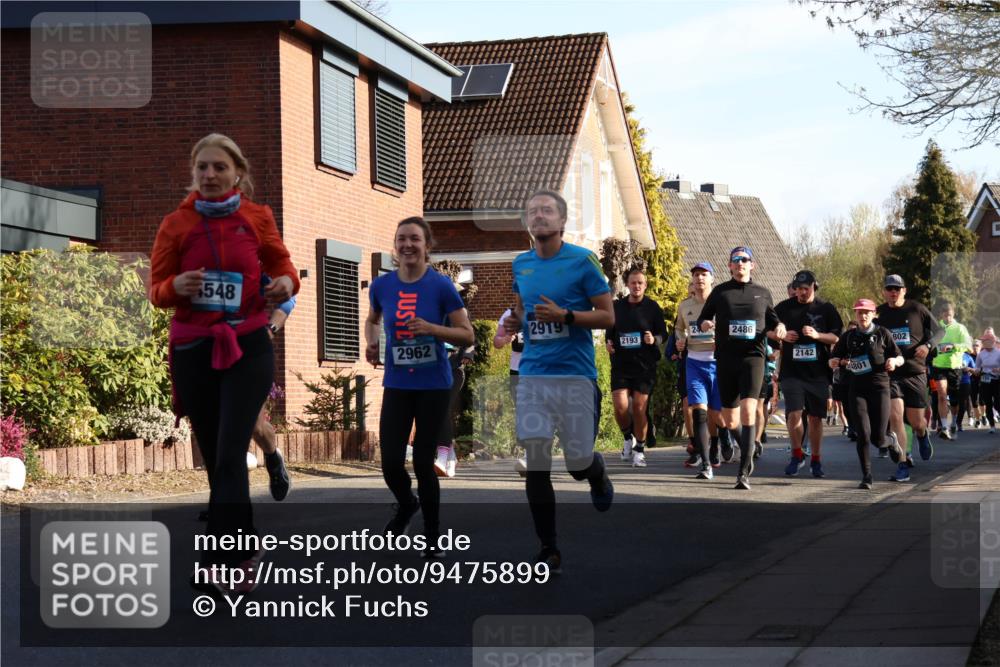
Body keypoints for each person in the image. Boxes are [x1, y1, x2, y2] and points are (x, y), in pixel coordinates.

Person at [150, 133, 300, 595]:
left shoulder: (257, 218)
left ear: (238, 172)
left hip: (248, 343)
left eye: (219, 167)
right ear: (193, 174)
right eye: (202, 168)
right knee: (217, 460)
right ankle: (245, 548)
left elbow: (286, 268)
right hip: (195, 348)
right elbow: (156, 291)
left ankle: (222, 558)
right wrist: (179, 285)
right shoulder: (176, 224)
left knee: (232, 449)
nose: (210, 175)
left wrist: (284, 286)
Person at [504, 189, 615, 572]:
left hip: (576, 377)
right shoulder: (521, 264)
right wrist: (515, 321)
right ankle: (548, 547)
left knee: (577, 462)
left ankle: (596, 472)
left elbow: (607, 317)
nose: (538, 216)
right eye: (532, 211)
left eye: (547, 210)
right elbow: (521, 308)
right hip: (534, 375)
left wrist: (566, 316)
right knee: (536, 461)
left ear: (562, 221)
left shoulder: (583, 261)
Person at [365, 217, 474, 559]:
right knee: (391, 464)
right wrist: (370, 342)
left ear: (427, 245)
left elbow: (467, 334)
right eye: (401, 239)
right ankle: (407, 503)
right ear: (395, 246)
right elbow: (372, 320)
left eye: (415, 239)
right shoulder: (382, 287)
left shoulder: (441, 286)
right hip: (397, 382)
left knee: (424, 462)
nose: (408, 245)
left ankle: (431, 538)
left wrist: (432, 328)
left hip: (433, 384)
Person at [698, 246, 786, 491]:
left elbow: (774, 320)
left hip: (753, 358)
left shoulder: (762, 292)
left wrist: (779, 327)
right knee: (729, 418)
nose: (740, 264)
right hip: (726, 359)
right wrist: (705, 323)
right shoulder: (720, 292)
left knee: (748, 412)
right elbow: (704, 317)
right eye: (736, 260)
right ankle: (747, 450)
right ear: (730, 266)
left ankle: (743, 472)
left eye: (744, 260)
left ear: (752, 265)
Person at [772, 270, 843, 479]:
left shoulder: (826, 308)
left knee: (815, 418)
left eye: (806, 288)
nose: (801, 293)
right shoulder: (784, 307)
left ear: (814, 287)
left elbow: (837, 337)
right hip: (791, 372)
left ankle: (816, 459)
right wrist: (782, 334)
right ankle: (796, 455)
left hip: (817, 374)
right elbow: (768, 329)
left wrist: (817, 335)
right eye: (798, 289)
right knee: (794, 413)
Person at [830, 299, 905, 490]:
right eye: (859, 312)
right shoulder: (848, 337)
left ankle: (890, 440)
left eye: (866, 312)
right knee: (863, 434)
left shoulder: (882, 333)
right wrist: (835, 361)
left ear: (873, 314)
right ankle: (867, 476)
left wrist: (894, 362)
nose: (862, 316)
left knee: (878, 438)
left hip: (879, 388)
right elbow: (834, 356)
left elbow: (899, 356)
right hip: (857, 389)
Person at [875, 274, 942, 474]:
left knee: (917, 422)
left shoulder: (916, 308)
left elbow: (940, 331)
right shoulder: (879, 313)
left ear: (904, 290)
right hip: (892, 373)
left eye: (897, 289)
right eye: (889, 289)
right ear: (884, 292)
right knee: (895, 416)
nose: (893, 292)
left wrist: (928, 346)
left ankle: (922, 435)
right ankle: (903, 463)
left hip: (915, 371)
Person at [606, 267, 667, 468]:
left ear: (645, 285)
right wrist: (608, 343)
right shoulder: (617, 307)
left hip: (644, 366)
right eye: (633, 282)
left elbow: (663, 335)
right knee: (621, 406)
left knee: (640, 408)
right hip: (621, 365)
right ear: (627, 284)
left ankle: (639, 449)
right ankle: (627, 438)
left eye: (640, 282)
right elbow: (609, 333)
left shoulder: (653, 308)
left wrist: (654, 339)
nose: (636, 286)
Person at [675, 262, 728, 480]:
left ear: (712, 279)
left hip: (718, 363)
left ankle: (720, 438)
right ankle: (705, 463)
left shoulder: (722, 305)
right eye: (696, 275)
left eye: (704, 274)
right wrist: (681, 340)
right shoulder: (684, 306)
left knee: (717, 414)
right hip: (694, 362)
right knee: (699, 410)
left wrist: (723, 341)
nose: (699, 279)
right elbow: (679, 328)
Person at [929, 301, 973, 440]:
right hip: (939, 366)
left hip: (955, 367)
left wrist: (954, 346)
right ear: (940, 315)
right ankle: (944, 427)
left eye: (949, 315)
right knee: (942, 394)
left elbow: (968, 346)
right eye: (944, 315)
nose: (947, 317)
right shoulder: (936, 328)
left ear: (953, 314)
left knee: (954, 401)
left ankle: (953, 421)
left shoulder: (960, 328)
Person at [434, 338, 475, 478]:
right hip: (432, 369)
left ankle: (442, 456)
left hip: (453, 369)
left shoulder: (457, 315)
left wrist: (468, 353)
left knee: (443, 408)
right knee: (436, 412)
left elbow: (469, 335)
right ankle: (451, 457)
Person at [494, 307, 528, 474]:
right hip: (517, 370)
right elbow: (496, 341)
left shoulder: (544, 310)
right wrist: (506, 338)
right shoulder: (510, 314)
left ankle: (532, 454)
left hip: (539, 368)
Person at [976, 332, 1000, 434]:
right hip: (985, 380)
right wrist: (976, 370)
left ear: (992, 342)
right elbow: (977, 366)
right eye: (983, 341)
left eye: (985, 341)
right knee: (988, 403)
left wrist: (998, 369)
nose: (983, 343)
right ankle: (992, 426)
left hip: (997, 380)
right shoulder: (981, 354)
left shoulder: (998, 352)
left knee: (998, 403)